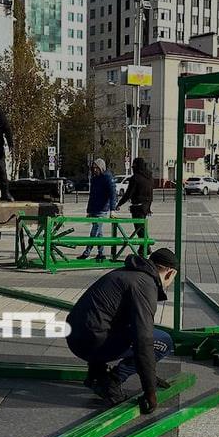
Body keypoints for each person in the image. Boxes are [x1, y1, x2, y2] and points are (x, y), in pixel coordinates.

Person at [66, 248, 177, 411]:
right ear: (170, 273)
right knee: (163, 341)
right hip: (93, 344)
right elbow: (143, 341)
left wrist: (149, 374)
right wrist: (150, 390)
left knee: (115, 324)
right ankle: (113, 380)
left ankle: (97, 374)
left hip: (75, 339)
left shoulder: (125, 272)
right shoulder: (145, 284)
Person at [79, 159, 117, 260]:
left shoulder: (107, 177)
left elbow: (113, 194)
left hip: (102, 209)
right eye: (93, 168)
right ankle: (101, 253)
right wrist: (89, 210)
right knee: (99, 233)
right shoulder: (94, 179)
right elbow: (92, 195)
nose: (95, 170)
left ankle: (87, 252)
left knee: (95, 231)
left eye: (97, 168)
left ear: (101, 168)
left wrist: (112, 210)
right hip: (94, 209)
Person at [117, 158, 154, 243]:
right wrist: (148, 207)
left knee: (139, 229)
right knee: (142, 228)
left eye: (133, 166)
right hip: (145, 206)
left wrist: (119, 204)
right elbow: (151, 194)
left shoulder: (135, 178)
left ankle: (146, 246)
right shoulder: (149, 178)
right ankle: (144, 247)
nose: (132, 168)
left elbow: (128, 194)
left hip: (137, 207)